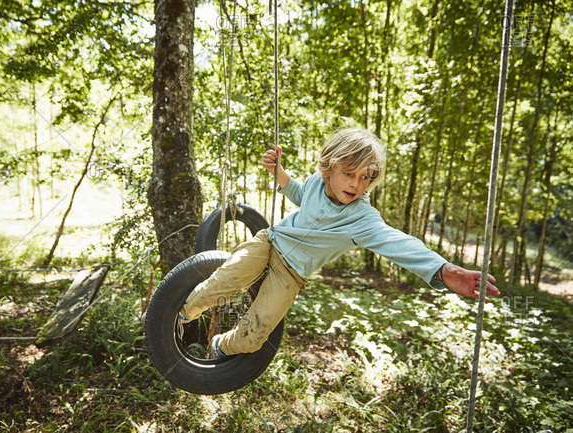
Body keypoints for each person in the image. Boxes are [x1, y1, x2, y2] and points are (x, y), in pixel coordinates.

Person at [180, 128, 500, 358]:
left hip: (291, 274)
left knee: (253, 338)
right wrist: (278, 171)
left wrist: (444, 271)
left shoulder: (362, 219)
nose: (356, 183)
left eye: (366, 177)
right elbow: (297, 193)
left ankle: (221, 345)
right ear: (329, 166)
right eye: (349, 172)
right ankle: (179, 315)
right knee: (224, 280)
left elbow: (399, 243)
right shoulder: (316, 185)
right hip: (270, 242)